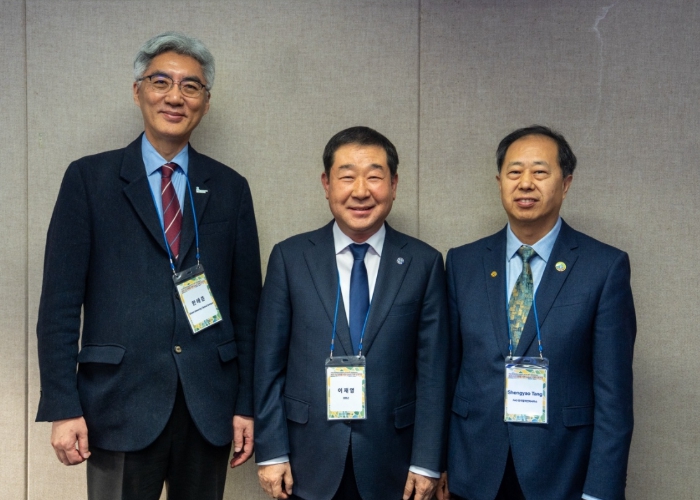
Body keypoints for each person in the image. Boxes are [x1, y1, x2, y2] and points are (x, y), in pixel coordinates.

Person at [35, 32, 262, 500]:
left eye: (191, 86)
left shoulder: (230, 188)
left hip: (208, 404)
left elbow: (247, 309)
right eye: (162, 82)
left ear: (205, 102)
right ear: (137, 91)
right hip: (117, 403)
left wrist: (247, 404)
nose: (175, 96)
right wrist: (62, 406)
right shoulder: (89, 179)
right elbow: (59, 305)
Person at [441, 125, 636, 500]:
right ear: (500, 182)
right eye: (514, 172)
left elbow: (614, 397)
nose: (525, 183)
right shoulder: (463, 263)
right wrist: (438, 463)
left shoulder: (603, 267)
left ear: (566, 183)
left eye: (540, 172)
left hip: (562, 471)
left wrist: (602, 490)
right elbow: (447, 373)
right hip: (473, 468)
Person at [254, 126, 449, 500]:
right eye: (347, 177)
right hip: (305, 458)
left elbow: (433, 374)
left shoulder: (423, 263)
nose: (361, 191)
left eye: (374, 177)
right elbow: (268, 366)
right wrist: (272, 451)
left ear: (394, 184)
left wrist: (427, 462)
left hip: (393, 462)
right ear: (326, 184)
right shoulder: (290, 258)